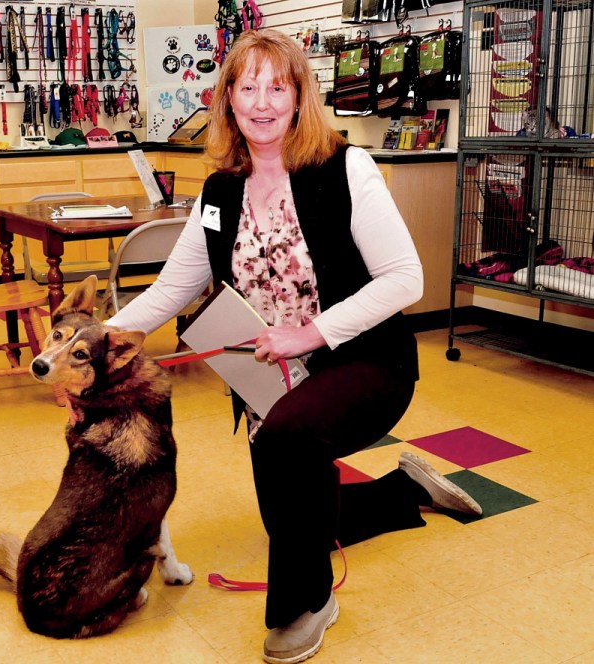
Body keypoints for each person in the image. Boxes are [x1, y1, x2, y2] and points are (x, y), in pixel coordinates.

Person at [108, 28, 481, 664]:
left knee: (289, 447)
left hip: (363, 360)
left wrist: (308, 334)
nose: (261, 101)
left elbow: (405, 279)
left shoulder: (345, 167)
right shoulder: (220, 191)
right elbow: (176, 285)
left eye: (276, 87)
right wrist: (102, 341)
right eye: (246, 86)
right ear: (226, 99)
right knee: (291, 521)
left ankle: (306, 606)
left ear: (300, 94)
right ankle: (404, 488)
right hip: (271, 381)